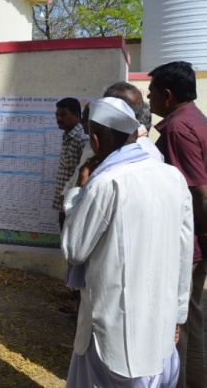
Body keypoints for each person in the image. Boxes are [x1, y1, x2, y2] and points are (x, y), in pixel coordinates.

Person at [62, 97, 193, 387]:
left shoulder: (106, 183)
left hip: (113, 332)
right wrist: (178, 314)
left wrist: (78, 191)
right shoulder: (173, 177)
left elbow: (74, 248)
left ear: (95, 139)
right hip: (159, 325)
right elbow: (184, 253)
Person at [147, 61, 207, 388]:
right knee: (194, 320)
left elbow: (199, 192)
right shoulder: (198, 120)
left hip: (191, 245)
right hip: (199, 241)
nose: (148, 95)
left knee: (176, 323)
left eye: (152, 90)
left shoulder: (177, 129)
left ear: (167, 95)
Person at [53, 97, 88, 230]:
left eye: (63, 115)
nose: (59, 118)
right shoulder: (67, 136)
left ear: (76, 115)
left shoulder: (82, 138)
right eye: (57, 115)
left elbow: (87, 174)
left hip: (75, 205)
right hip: (64, 204)